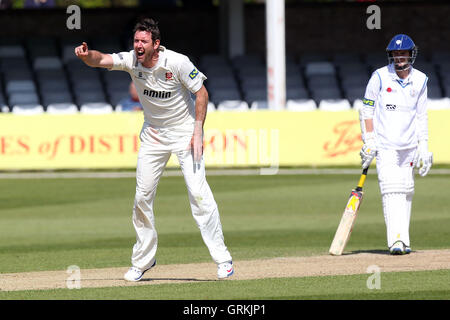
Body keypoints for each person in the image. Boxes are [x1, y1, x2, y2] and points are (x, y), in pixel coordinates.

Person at [74, 18, 233, 280]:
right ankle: (143, 261)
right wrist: (85, 55)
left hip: (184, 132)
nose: (138, 45)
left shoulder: (177, 62)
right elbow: (100, 59)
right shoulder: (131, 60)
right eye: (136, 41)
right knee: (142, 197)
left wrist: (197, 131)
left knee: (198, 194)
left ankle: (223, 258)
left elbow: (201, 93)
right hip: (153, 135)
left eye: (143, 41)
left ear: (156, 44)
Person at [359, 34, 433, 255]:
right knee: (392, 190)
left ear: (411, 54)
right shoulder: (380, 77)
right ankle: (396, 241)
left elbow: (421, 116)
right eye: (396, 53)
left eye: (403, 53)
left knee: (407, 190)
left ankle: (404, 239)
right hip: (386, 145)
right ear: (391, 55)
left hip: (409, 146)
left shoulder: (421, 80)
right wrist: (369, 139)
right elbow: (367, 110)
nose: (399, 57)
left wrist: (424, 146)